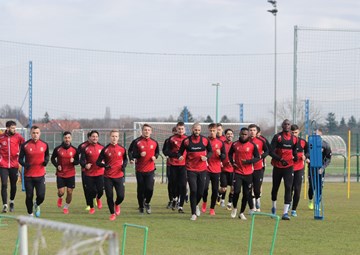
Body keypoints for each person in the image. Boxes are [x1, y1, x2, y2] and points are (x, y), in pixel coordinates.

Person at [178, 122, 212, 221]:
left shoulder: (205, 140)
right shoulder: (186, 141)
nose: (197, 132)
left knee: (201, 192)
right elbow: (180, 151)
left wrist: (206, 157)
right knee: (193, 190)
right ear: (192, 129)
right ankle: (193, 213)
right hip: (190, 169)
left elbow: (210, 151)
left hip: (202, 170)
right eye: (195, 130)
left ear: (200, 130)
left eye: (199, 130)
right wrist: (180, 156)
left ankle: (196, 205)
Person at [228, 127, 260, 220]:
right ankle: (234, 208)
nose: (243, 136)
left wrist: (249, 161)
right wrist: (232, 162)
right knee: (236, 191)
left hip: (248, 173)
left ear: (248, 135)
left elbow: (257, 157)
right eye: (242, 134)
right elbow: (230, 154)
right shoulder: (234, 144)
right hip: (238, 172)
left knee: (246, 194)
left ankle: (241, 212)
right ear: (239, 134)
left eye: (245, 134)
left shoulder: (252, 145)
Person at [269, 119, 298, 220]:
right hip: (278, 166)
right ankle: (273, 207)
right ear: (282, 125)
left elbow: (295, 150)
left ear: (290, 126)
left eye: (288, 124)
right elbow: (270, 152)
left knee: (288, 188)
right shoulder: (278, 137)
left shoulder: (294, 139)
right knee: (275, 188)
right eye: (285, 124)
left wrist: (296, 156)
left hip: (288, 167)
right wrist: (280, 159)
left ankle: (285, 213)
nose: (286, 126)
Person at [96, 130, 127, 221]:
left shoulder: (122, 149)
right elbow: (98, 162)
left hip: (119, 176)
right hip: (108, 177)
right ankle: (112, 213)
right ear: (110, 137)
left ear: (118, 137)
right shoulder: (105, 149)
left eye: (116, 136)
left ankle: (117, 204)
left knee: (121, 196)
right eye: (113, 136)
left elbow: (125, 160)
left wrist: (123, 166)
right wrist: (104, 165)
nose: (114, 138)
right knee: (109, 196)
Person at [18, 126, 49, 217]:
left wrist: (46, 161)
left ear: (40, 133)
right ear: (30, 134)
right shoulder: (25, 145)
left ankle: (37, 204)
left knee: (41, 196)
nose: (35, 135)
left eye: (37, 133)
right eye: (33, 133)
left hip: (40, 175)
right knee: (29, 196)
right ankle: (30, 214)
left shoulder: (44, 144)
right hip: (28, 176)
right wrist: (25, 165)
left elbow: (47, 156)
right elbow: (20, 159)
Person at [128, 124, 159, 214]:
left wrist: (155, 157)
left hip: (151, 169)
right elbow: (130, 152)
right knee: (141, 189)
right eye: (145, 130)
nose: (147, 131)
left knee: (149, 188)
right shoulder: (136, 141)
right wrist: (137, 156)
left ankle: (147, 203)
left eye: (148, 130)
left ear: (151, 131)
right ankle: (141, 206)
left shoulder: (154, 142)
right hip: (140, 170)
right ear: (142, 131)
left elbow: (157, 152)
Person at [51, 131, 79, 214]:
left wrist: (74, 161)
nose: (67, 139)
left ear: (71, 138)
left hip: (71, 174)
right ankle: (60, 197)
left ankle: (66, 206)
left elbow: (78, 162)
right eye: (66, 138)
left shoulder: (74, 150)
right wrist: (57, 165)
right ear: (63, 138)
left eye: (68, 138)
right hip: (61, 174)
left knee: (70, 192)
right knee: (61, 192)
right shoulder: (58, 149)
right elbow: (52, 159)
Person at [0, 120, 25, 213]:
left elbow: (25, 145)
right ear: (7, 128)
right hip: (3, 165)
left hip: (14, 165)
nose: (14, 129)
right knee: (4, 184)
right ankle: (5, 205)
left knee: (13, 185)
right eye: (12, 128)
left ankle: (11, 202)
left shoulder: (18, 137)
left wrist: (20, 153)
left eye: (15, 128)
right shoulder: (1, 137)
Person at [163, 122, 188, 213]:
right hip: (173, 165)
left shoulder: (188, 139)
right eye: (179, 129)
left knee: (183, 185)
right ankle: (174, 198)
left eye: (182, 129)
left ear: (184, 130)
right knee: (173, 184)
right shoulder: (171, 139)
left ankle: (180, 206)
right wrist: (177, 155)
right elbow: (166, 151)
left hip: (184, 165)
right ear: (176, 130)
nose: (180, 131)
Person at [201, 123, 225, 215]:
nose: (212, 132)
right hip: (205, 169)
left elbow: (224, 156)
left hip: (216, 170)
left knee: (215, 190)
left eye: (214, 131)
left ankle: (212, 208)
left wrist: (220, 154)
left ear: (217, 131)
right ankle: (204, 203)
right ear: (208, 131)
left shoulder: (220, 142)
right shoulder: (204, 141)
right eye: (210, 131)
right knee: (205, 188)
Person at [80, 130, 104, 214]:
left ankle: (98, 198)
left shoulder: (102, 147)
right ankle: (91, 207)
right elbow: (82, 161)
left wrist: (104, 163)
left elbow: (106, 159)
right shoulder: (85, 148)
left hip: (100, 173)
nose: (95, 138)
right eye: (93, 136)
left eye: (96, 136)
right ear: (90, 137)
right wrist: (85, 165)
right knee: (90, 191)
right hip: (89, 174)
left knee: (100, 191)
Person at [308, 128, 332, 209]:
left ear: (321, 135)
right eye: (314, 134)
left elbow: (328, 158)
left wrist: (323, 167)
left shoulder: (325, 144)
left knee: (320, 186)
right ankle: (310, 200)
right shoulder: (310, 143)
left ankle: (317, 203)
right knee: (312, 186)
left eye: (317, 134)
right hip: (311, 168)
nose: (315, 136)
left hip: (320, 168)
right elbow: (306, 153)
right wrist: (307, 159)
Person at [248, 124, 269, 212]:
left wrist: (261, 156)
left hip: (258, 168)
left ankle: (257, 200)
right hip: (247, 169)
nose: (252, 132)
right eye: (250, 130)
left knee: (257, 188)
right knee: (248, 188)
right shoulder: (245, 141)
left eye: (254, 130)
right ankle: (252, 207)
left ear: (257, 132)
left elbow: (267, 151)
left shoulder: (261, 141)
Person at [290, 124, 309, 217]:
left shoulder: (303, 142)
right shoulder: (287, 142)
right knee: (289, 189)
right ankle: (288, 203)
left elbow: (308, 152)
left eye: (295, 133)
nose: (294, 134)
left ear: (299, 132)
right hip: (289, 168)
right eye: (292, 133)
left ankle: (294, 209)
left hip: (299, 168)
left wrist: (306, 156)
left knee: (297, 190)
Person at [217, 128, 234, 210]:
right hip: (223, 170)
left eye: (231, 134)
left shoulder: (235, 145)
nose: (229, 135)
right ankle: (219, 193)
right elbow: (218, 155)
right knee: (223, 189)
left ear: (233, 135)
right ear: (225, 135)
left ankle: (229, 203)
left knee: (233, 188)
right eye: (228, 134)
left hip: (233, 170)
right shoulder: (221, 144)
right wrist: (220, 161)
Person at [162, 126, 177, 209]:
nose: (176, 133)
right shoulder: (168, 140)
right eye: (174, 131)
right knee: (171, 183)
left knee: (180, 184)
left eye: (177, 131)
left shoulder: (183, 140)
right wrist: (169, 154)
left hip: (181, 165)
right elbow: (165, 151)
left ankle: (177, 200)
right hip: (170, 165)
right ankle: (171, 200)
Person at [77, 132, 92, 210]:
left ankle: (95, 197)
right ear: (88, 137)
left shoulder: (99, 145)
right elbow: (77, 155)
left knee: (97, 188)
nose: (94, 138)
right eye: (92, 136)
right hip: (85, 170)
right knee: (86, 188)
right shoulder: (82, 146)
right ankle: (88, 204)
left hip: (96, 171)